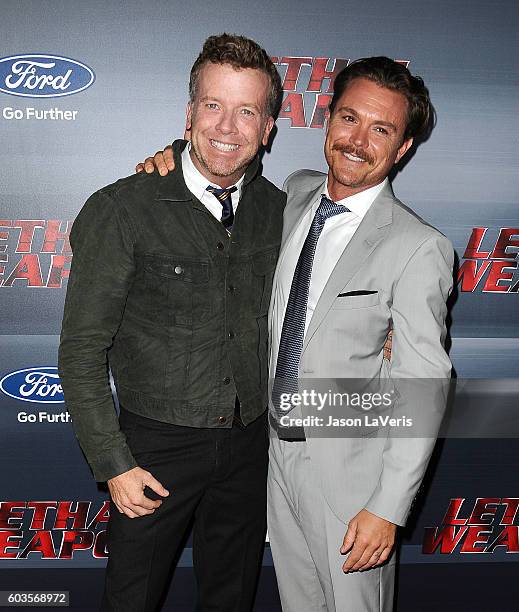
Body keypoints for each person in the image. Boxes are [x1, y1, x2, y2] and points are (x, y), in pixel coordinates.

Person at [139, 56, 453, 612]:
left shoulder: (418, 246)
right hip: (271, 463)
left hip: (351, 480)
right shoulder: (295, 193)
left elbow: (424, 386)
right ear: (327, 120)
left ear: (402, 148)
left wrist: (387, 507)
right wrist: (173, 154)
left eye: (381, 129)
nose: (357, 141)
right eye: (349, 118)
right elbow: (221, 162)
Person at [58, 34, 285, 611]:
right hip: (154, 450)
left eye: (246, 111)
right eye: (213, 106)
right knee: (132, 600)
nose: (227, 127)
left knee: (231, 597)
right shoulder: (123, 209)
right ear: (188, 115)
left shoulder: (282, 209)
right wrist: (115, 466)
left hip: (250, 444)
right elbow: (82, 351)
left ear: (268, 127)